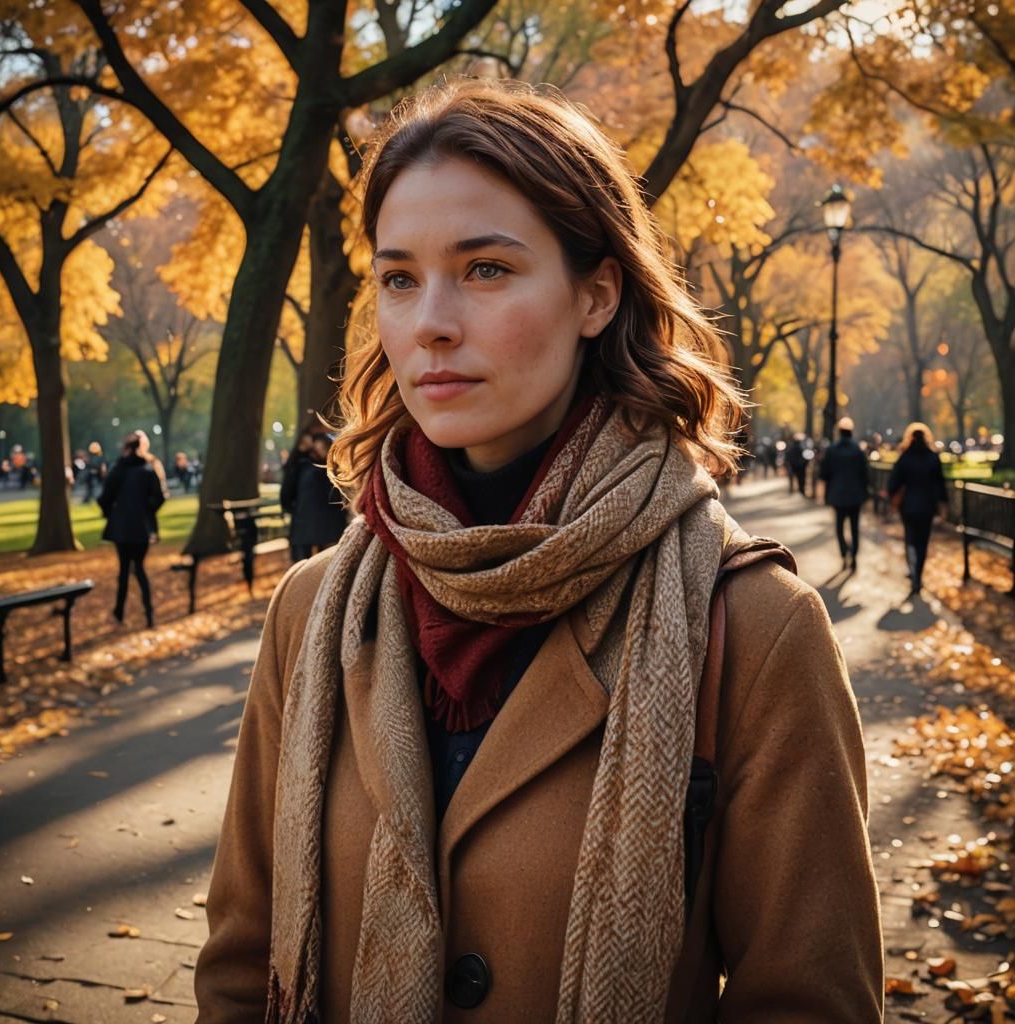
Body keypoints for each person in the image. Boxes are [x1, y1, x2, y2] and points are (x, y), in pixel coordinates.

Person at [195, 79, 883, 1023]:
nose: (431, 321)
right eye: (399, 278)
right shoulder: (314, 610)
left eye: (485, 269)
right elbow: (241, 970)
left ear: (597, 293)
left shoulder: (756, 628)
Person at [98, 430, 166, 628]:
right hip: (141, 528)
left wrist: (112, 514)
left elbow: (104, 498)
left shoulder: (118, 470)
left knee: (124, 570)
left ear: (127, 448)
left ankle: (119, 612)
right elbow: (159, 497)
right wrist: (147, 512)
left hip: (122, 528)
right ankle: (148, 613)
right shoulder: (147, 470)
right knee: (140, 569)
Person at [887, 422, 947, 598]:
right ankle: (918, 575)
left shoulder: (905, 458)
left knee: (910, 540)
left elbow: (893, 483)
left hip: (908, 506)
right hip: (927, 506)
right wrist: (943, 506)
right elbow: (940, 484)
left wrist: (893, 497)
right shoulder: (933, 458)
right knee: (923, 542)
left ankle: (913, 572)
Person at [279, 431, 348, 562]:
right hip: (309, 527)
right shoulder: (303, 467)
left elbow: (337, 498)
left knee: (316, 565)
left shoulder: (306, 468)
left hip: (319, 527)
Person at [819, 416, 869, 571]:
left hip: (838, 494)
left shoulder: (832, 450)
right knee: (854, 528)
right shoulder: (858, 450)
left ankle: (844, 552)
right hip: (855, 495)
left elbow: (824, 473)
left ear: (839, 432)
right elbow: (865, 474)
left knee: (839, 527)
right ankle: (854, 555)